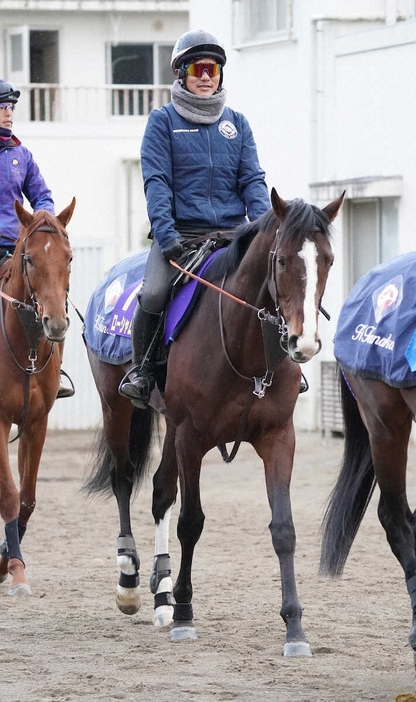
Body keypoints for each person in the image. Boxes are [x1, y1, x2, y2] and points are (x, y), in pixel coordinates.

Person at [119, 29, 294, 406]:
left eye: (212, 68)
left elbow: (252, 180)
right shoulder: (162, 122)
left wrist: (264, 231)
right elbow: (157, 182)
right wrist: (166, 237)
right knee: (152, 294)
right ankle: (143, 371)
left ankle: (282, 365)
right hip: (182, 237)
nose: (205, 76)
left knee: (275, 286)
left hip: (234, 235)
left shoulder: (238, 124)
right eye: (198, 67)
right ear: (181, 73)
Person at [0, 79, 74, 398]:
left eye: (11, 107)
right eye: (2, 107)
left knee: (52, 294)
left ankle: (52, 374)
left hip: (19, 246)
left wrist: (40, 220)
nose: (8, 113)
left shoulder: (22, 154)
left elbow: (42, 195)